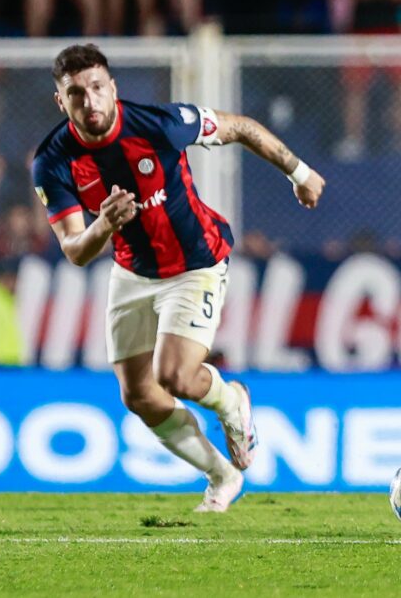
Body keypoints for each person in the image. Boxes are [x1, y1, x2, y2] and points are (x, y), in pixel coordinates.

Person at [31, 44, 326, 511]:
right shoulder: (53, 161)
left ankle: (232, 403)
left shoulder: (161, 123)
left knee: (174, 375)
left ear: (113, 89)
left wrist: (299, 171)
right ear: (60, 101)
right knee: (139, 396)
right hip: (131, 271)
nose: (90, 102)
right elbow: (74, 251)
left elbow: (240, 128)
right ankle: (221, 476)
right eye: (75, 94)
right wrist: (103, 225)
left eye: (96, 89)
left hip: (196, 262)